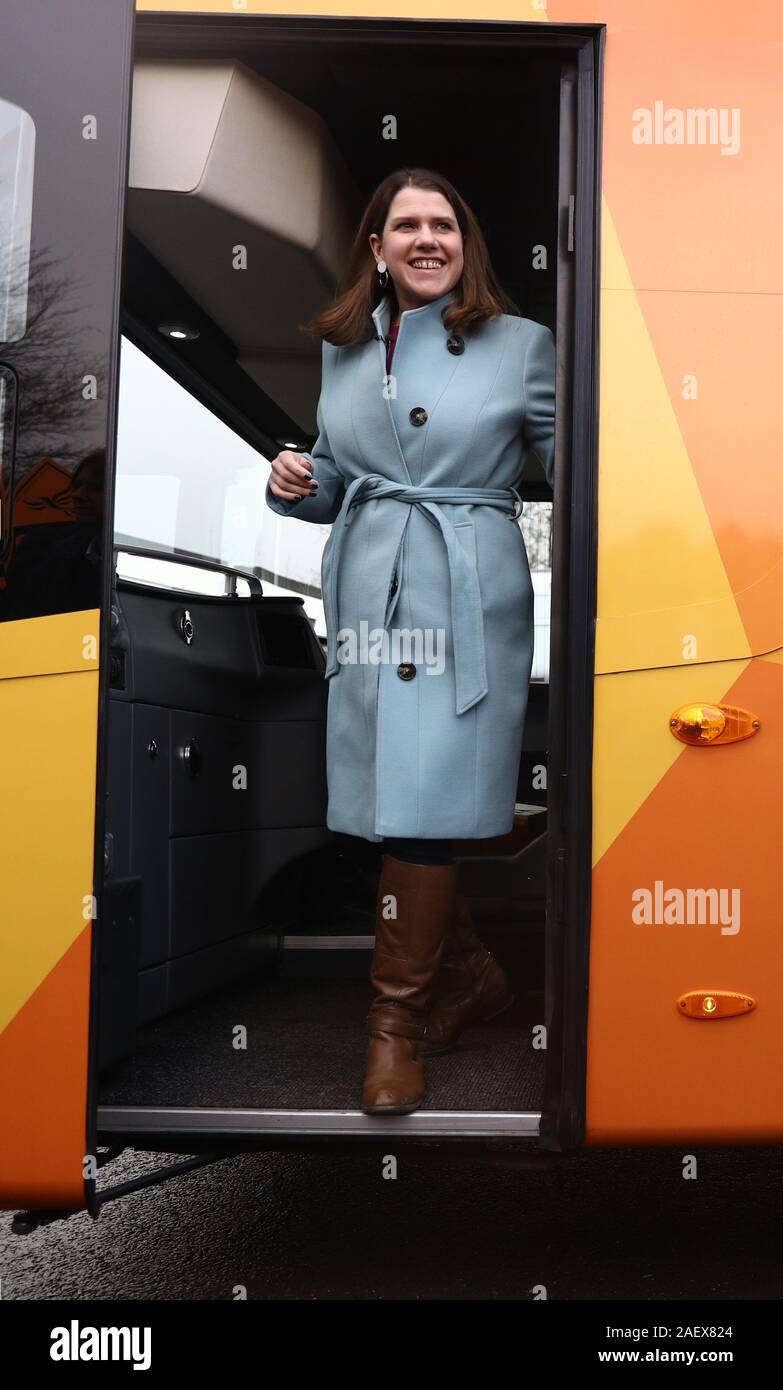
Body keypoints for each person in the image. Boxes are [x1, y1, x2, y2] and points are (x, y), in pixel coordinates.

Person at [266, 167, 556, 1116]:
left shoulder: (522, 346)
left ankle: (393, 1028)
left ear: (464, 246)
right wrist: (295, 484)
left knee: (425, 805)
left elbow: (579, 469)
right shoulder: (345, 351)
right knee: (387, 807)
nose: (427, 239)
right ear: (377, 249)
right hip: (367, 592)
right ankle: (468, 974)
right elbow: (339, 474)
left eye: (444, 225)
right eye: (406, 226)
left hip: (462, 592)